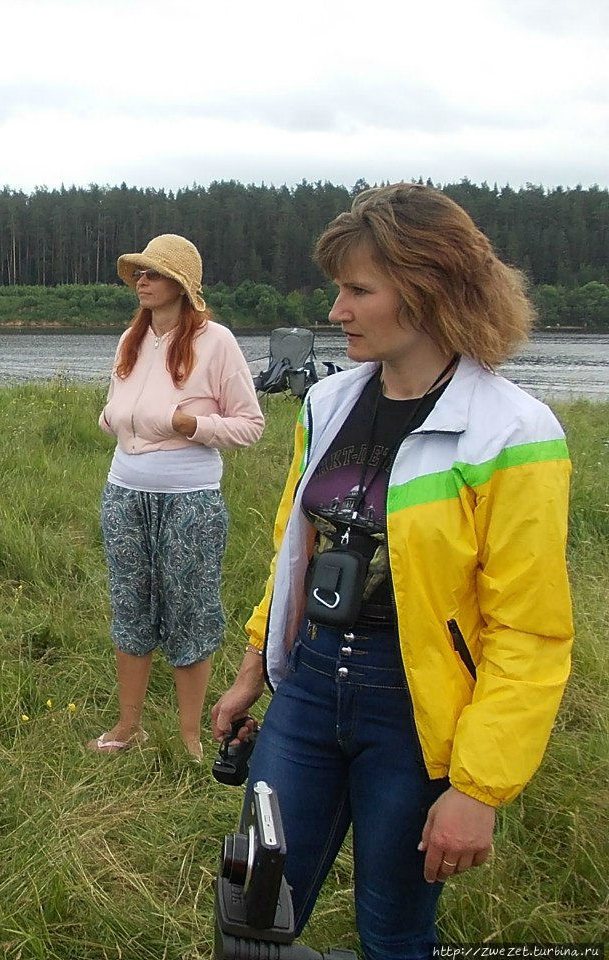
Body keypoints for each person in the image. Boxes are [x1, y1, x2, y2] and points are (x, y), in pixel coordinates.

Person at [210, 184, 574, 958]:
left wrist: (477, 788)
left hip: (413, 714)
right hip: (307, 689)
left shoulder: (514, 433)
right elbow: (292, 553)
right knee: (250, 911)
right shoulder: (328, 402)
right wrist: (253, 667)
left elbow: (530, 629)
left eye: (358, 290)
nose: (336, 310)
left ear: (427, 290)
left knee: (394, 928)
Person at [88, 234, 264, 760]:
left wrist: (193, 423)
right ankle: (128, 725)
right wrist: (112, 419)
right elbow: (116, 406)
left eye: (153, 273)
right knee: (130, 606)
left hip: (189, 497)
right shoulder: (131, 341)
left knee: (189, 610)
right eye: (139, 272)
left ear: (182, 285)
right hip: (124, 493)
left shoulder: (218, 342)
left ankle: (190, 734)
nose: (141, 281)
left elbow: (250, 426)